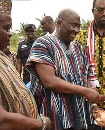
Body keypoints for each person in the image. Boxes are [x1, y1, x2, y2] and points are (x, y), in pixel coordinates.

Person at [26, 8, 101, 130]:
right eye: (73, 25)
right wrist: (85, 91)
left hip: (79, 114)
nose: (76, 30)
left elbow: (85, 76)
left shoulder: (78, 48)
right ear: (59, 23)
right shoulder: (43, 44)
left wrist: (91, 96)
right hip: (55, 116)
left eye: (79, 26)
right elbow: (49, 81)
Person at [0, 0, 51, 129]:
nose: (10, 33)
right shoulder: (20, 47)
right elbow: (2, 120)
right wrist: (40, 123)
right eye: (6, 28)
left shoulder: (3, 56)